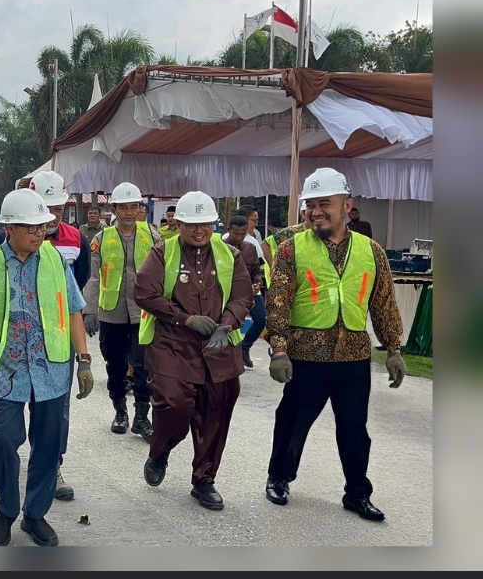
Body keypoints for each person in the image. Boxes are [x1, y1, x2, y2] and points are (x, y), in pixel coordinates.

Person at [263, 167, 405, 521]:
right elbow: (277, 301)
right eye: (310, 205)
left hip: (353, 357)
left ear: (347, 206)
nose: (316, 212)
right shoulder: (291, 248)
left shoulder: (371, 251)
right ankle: (279, 477)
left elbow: (384, 303)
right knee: (292, 421)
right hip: (305, 355)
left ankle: (357, 493)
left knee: (355, 429)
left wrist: (393, 348)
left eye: (324, 204)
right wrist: (278, 350)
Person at [0, 188, 94, 547]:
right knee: (4, 439)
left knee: (48, 445)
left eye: (42, 227)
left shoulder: (56, 261)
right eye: (31, 227)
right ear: (10, 228)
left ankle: (35, 515)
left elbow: (73, 310)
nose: (39, 233)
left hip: (52, 369)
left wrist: (84, 360)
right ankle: (6, 510)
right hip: (7, 371)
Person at [134, 190, 252, 511]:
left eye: (205, 225)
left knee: (217, 412)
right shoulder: (163, 252)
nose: (199, 231)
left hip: (218, 345)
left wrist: (226, 324)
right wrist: (185, 318)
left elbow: (242, 295)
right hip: (173, 344)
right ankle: (160, 451)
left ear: (214, 224)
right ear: (179, 224)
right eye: (192, 225)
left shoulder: (230, 254)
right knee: (173, 404)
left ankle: (204, 480)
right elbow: (145, 292)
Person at [20, 169, 92, 501]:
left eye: (58, 208)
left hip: (59, 339)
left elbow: (79, 283)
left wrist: (83, 352)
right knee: (19, 406)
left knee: (57, 408)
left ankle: (53, 465)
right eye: (46, 207)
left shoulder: (76, 240)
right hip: (19, 339)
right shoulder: (10, 237)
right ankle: (22, 454)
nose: (52, 215)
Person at [83, 181, 161, 441]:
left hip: (143, 312)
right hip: (111, 312)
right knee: (115, 364)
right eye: (123, 207)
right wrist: (89, 310)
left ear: (140, 208)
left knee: (143, 364)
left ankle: (142, 416)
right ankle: (120, 411)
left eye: (133, 207)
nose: (129, 212)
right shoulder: (101, 239)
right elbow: (93, 276)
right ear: (114, 209)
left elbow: (164, 273)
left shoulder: (153, 236)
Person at [223, 214, 267, 369]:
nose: (239, 237)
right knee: (228, 323)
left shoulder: (250, 248)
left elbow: (257, 270)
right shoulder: (219, 247)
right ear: (228, 230)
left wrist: (257, 283)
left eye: (242, 234)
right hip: (228, 294)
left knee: (261, 319)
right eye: (235, 234)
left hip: (250, 292)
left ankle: (245, 347)